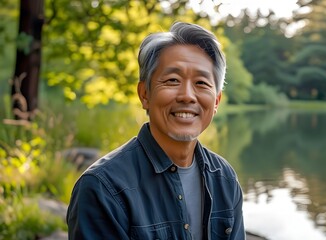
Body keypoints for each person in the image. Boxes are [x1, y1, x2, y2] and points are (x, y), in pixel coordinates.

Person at [66, 21, 245, 239]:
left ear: (216, 101)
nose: (187, 95)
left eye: (201, 83)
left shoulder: (224, 179)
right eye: (172, 80)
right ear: (145, 94)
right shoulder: (103, 188)